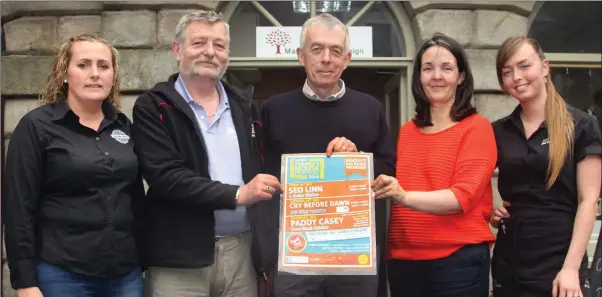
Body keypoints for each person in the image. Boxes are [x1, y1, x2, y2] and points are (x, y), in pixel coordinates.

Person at [130, 10, 281, 297]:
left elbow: (270, 161)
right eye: (199, 43)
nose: (210, 52)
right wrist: (238, 195)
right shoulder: (153, 106)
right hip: (179, 256)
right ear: (177, 49)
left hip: (242, 251)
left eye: (219, 45)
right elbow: (165, 176)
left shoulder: (244, 106)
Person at [258, 12, 396, 297]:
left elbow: (388, 168)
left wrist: (357, 159)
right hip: (295, 253)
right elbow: (263, 174)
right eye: (316, 49)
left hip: (353, 254)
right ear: (300, 56)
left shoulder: (370, 108)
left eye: (336, 51)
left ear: (347, 59)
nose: (326, 58)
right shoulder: (274, 109)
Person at [3, 34, 144, 297]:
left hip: (125, 275)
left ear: (113, 75)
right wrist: (25, 282)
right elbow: (18, 209)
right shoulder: (36, 126)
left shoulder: (123, 126)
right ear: (64, 73)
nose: (95, 74)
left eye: (103, 66)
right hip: (62, 273)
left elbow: (135, 198)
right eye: (83, 65)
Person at [372, 33, 497, 297]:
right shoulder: (408, 131)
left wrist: (402, 195)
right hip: (403, 261)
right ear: (419, 77)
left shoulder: (477, 128)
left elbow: (461, 197)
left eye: (446, 68)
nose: (436, 76)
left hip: (457, 263)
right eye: (428, 68)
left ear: (461, 76)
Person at [490, 36, 602, 297]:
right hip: (510, 262)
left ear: (544, 67)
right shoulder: (497, 131)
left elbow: (589, 200)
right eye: (507, 72)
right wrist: (491, 213)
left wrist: (571, 268)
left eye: (524, 66)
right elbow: (474, 181)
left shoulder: (581, 125)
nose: (516, 77)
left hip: (559, 262)